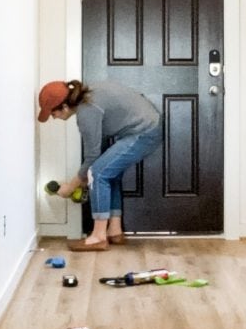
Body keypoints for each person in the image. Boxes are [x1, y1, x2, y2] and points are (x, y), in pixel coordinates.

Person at [37, 79, 163, 251]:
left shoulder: (86, 111)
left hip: (145, 131)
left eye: (53, 113)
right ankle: (114, 231)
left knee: (97, 174)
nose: (53, 117)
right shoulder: (89, 95)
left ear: (65, 106)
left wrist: (69, 188)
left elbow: (91, 158)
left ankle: (98, 237)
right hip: (146, 126)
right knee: (109, 172)